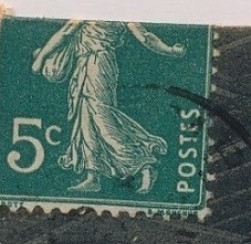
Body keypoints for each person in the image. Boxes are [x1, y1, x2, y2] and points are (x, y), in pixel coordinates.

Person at [30, 20, 185, 194]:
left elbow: (145, 37)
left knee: (102, 118)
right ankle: (92, 176)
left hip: (98, 65)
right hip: (84, 64)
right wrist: (170, 50)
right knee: (85, 118)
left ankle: (144, 165)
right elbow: (146, 38)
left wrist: (41, 57)